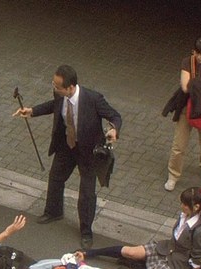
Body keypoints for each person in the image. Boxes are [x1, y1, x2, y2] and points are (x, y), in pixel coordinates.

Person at [13, 64, 123, 249]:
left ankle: (86, 231)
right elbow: (54, 106)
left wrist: (114, 129)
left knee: (87, 192)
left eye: (57, 86)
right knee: (56, 177)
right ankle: (54, 211)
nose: (54, 88)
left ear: (70, 87)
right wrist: (32, 111)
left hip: (88, 151)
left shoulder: (93, 99)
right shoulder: (60, 94)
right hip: (67, 145)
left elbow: (115, 116)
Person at [80, 187, 201, 269]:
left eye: (184, 204)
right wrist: (88, 254)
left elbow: (197, 257)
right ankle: (91, 252)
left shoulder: (200, 231)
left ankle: (135, 265)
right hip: (164, 248)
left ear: (196, 207)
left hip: (176, 264)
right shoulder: (185, 215)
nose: (181, 206)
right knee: (130, 252)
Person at [164, 36, 201, 191]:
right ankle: (173, 175)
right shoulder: (187, 62)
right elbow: (185, 87)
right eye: (196, 53)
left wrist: (195, 85)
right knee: (179, 145)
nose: (198, 57)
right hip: (187, 107)